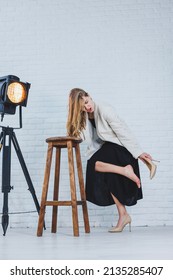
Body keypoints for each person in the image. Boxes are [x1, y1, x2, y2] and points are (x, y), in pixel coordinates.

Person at [66, 88, 157, 233]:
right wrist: (74, 119)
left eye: (87, 102)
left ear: (89, 95)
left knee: (93, 165)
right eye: (83, 106)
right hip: (108, 153)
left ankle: (126, 170)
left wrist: (139, 153)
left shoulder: (105, 110)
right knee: (105, 173)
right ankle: (123, 215)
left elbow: (123, 131)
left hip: (121, 150)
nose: (87, 107)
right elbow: (82, 137)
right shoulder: (84, 115)